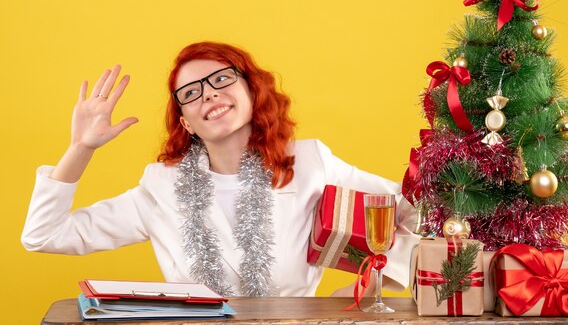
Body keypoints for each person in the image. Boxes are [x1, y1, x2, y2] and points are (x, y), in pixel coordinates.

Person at [22, 41, 418, 297]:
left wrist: (359, 291)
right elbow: (44, 235)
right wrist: (80, 148)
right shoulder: (160, 189)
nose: (209, 93)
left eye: (221, 78)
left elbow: (417, 208)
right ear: (186, 122)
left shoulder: (310, 162)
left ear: (251, 92)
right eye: (190, 93)